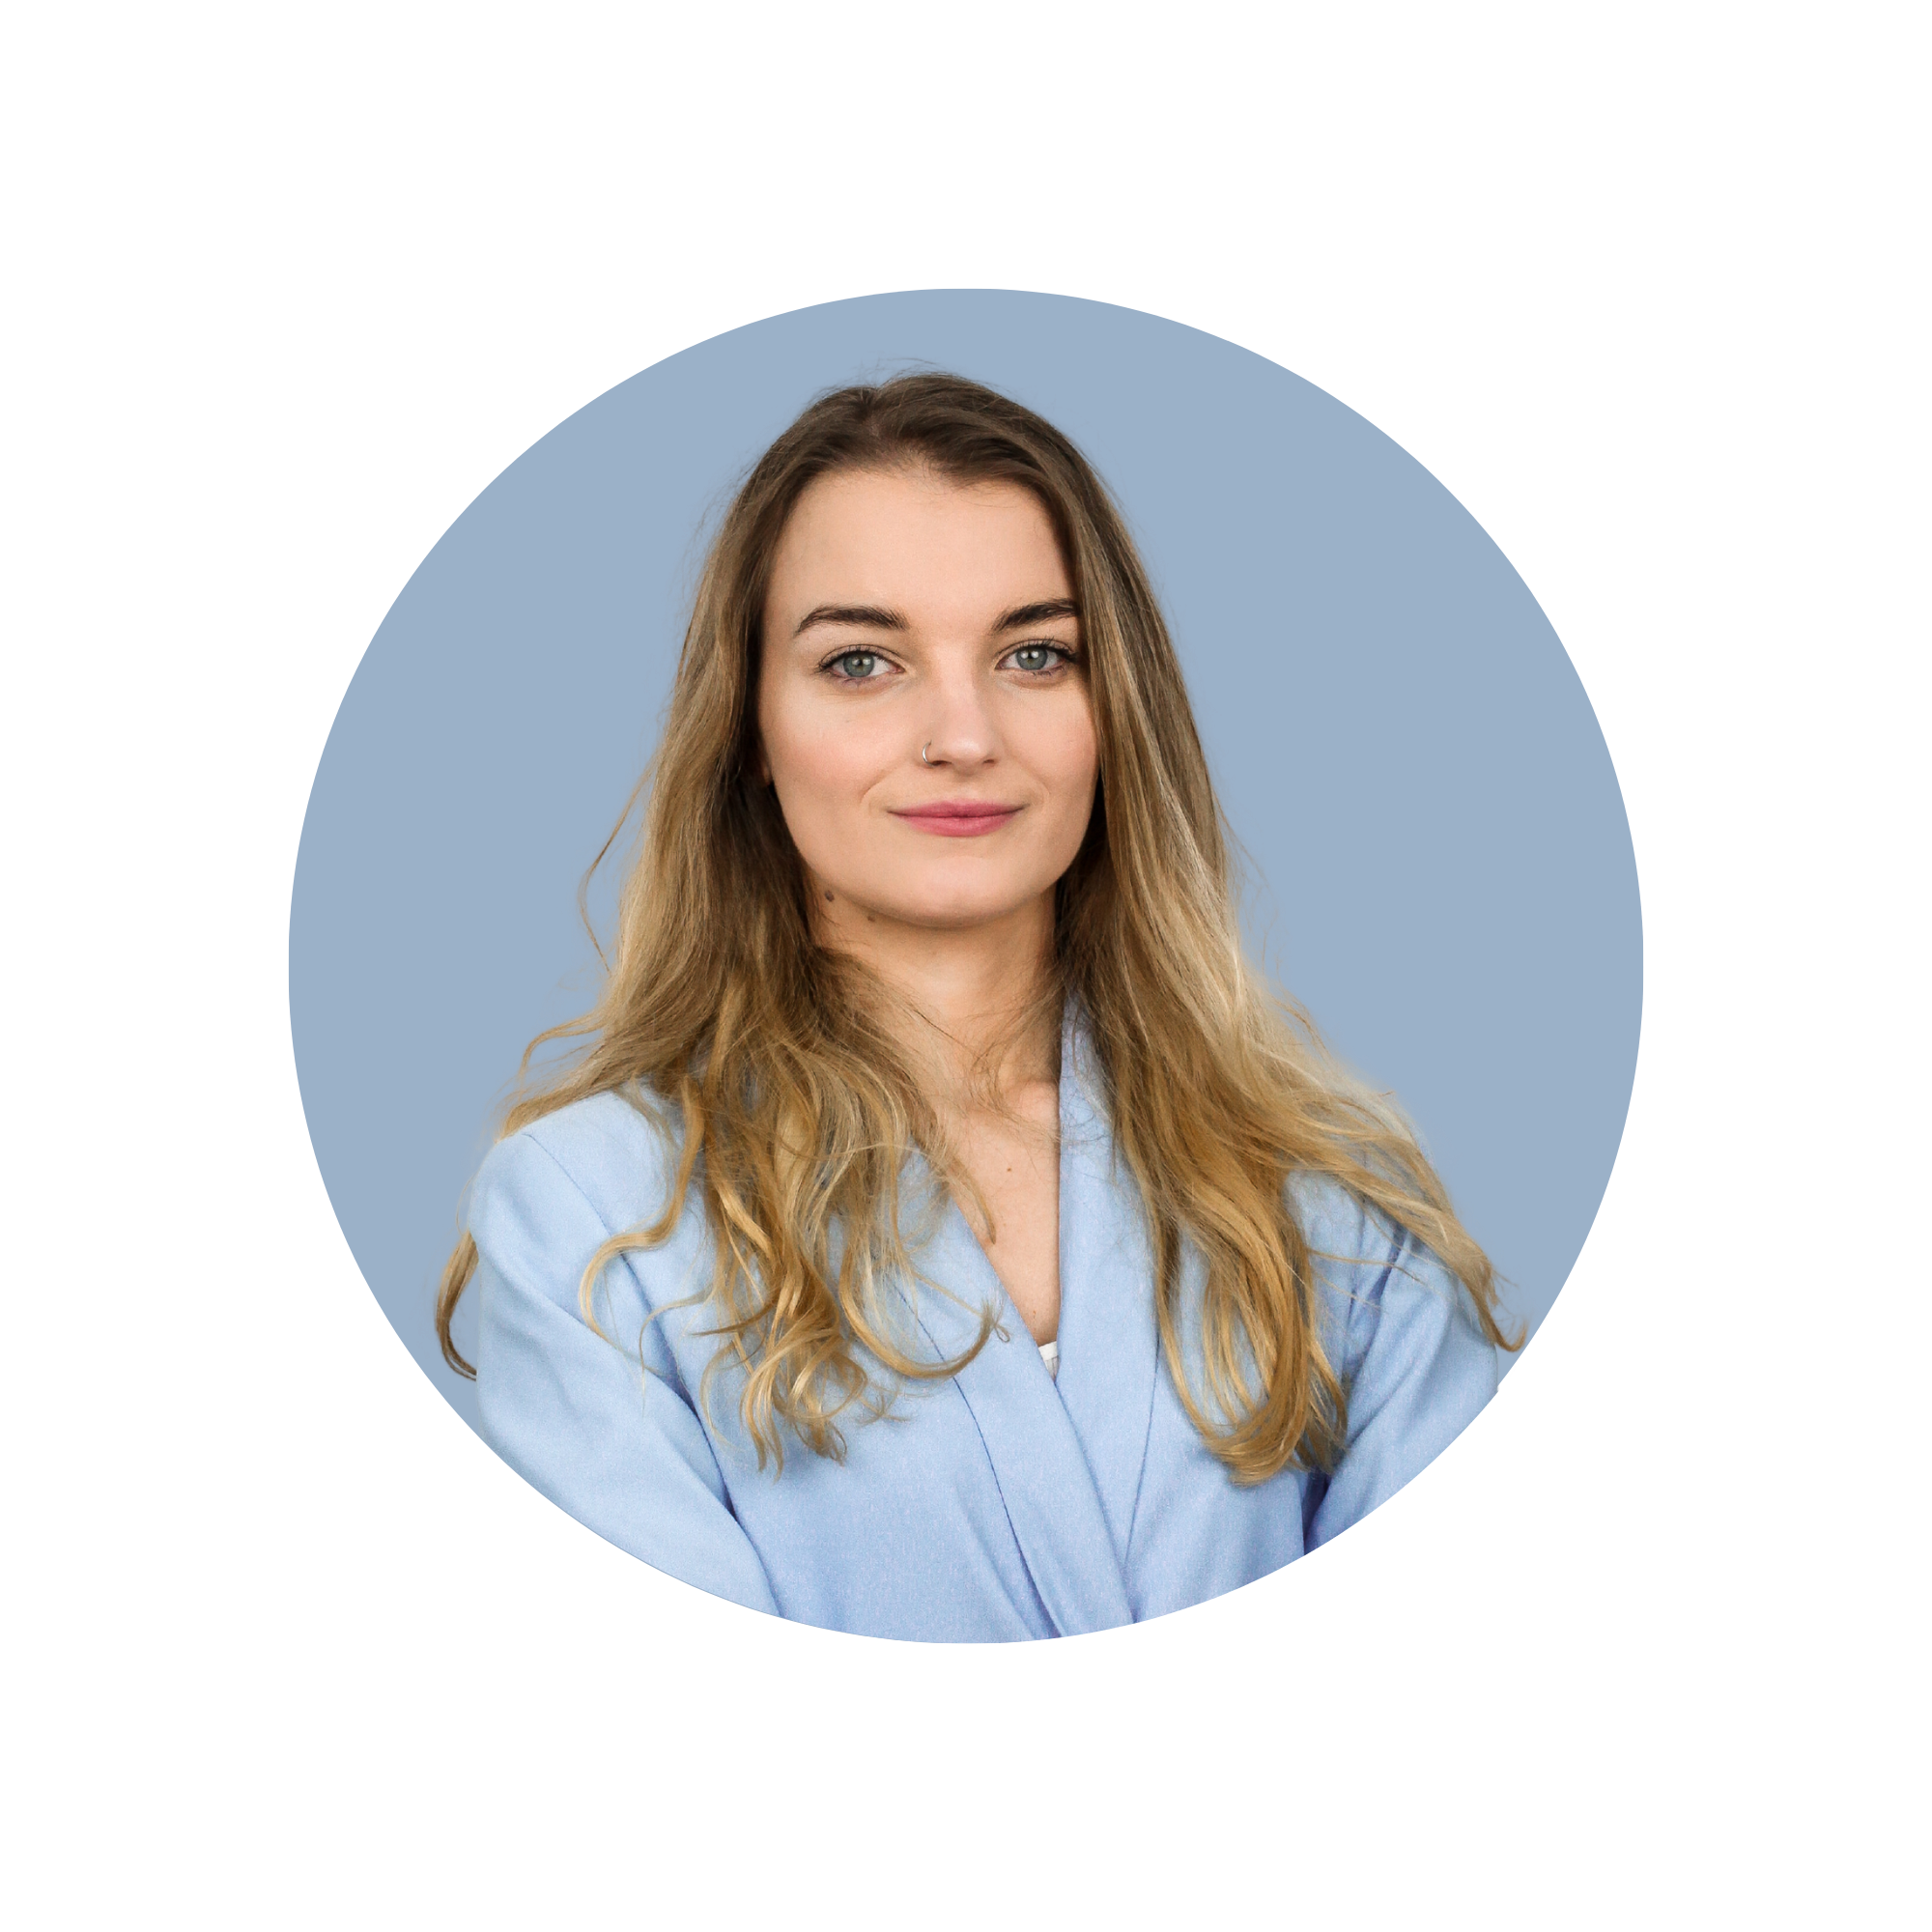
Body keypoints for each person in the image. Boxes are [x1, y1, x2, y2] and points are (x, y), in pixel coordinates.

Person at [438, 370, 1519, 1640]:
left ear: (1114, 712)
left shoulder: (1329, 1190)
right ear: (749, 727)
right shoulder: (590, 1213)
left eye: (1034, 654)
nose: (963, 734)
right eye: (861, 661)